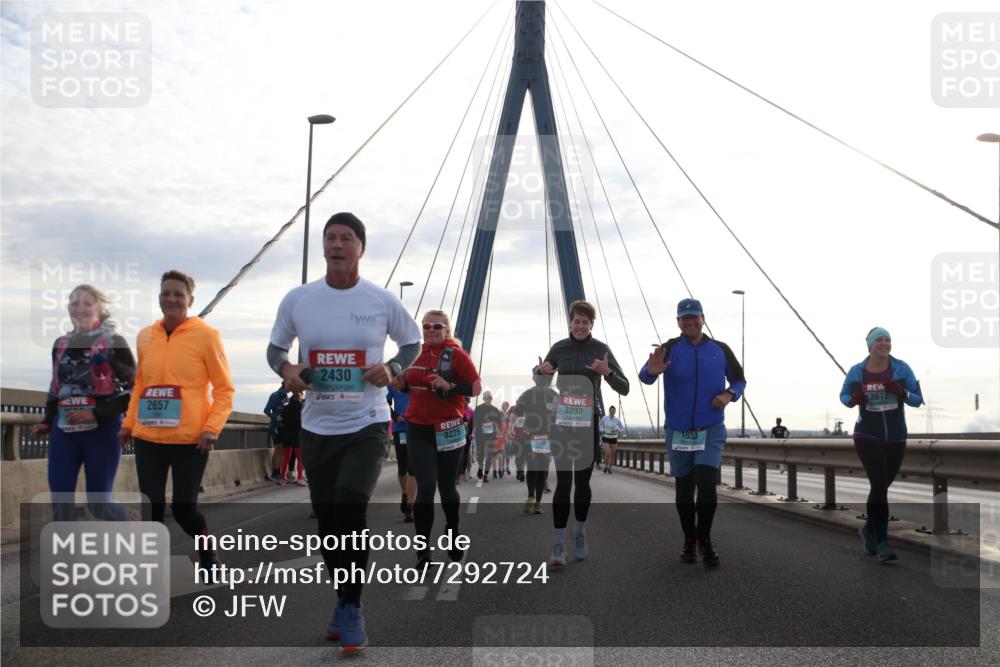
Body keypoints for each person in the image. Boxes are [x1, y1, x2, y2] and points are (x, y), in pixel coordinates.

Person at [267, 212, 421, 653]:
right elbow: (275, 349)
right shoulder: (299, 299)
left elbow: (410, 343)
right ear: (323, 247)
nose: (337, 245)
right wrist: (289, 368)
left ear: (360, 248)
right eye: (330, 238)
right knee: (330, 523)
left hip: (366, 424)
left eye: (346, 239)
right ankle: (342, 597)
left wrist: (391, 368)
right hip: (317, 425)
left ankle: (353, 608)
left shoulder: (380, 299)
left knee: (351, 512)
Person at [119, 270, 234, 571]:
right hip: (148, 439)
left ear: (190, 300)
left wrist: (212, 428)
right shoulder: (145, 336)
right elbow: (140, 385)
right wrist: (128, 424)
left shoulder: (207, 336)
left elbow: (224, 389)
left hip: (191, 440)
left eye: (178, 295)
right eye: (166, 293)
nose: (171, 299)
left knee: (184, 510)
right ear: (159, 298)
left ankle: (207, 551)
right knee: (152, 506)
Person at [639, 298, 745, 569]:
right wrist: (651, 372)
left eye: (694, 317)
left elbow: (740, 379)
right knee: (684, 489)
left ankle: (705, 539)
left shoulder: (720, 349)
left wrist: (728, 394)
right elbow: (646, 375)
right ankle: (689, 539)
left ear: (702, 318)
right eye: (684, 318)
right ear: (678, 322)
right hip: (678, 431)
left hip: (710, 429)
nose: (690, 322)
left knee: (706, 482)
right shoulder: (670, 348)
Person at [537, 300, 629, 566]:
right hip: (563, 424)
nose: (580, 326)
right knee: (563, 483)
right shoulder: (559, 348)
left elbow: (624, 388)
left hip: (588, 424)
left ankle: (578, 533)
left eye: (585, 322)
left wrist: (606, 371)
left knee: (582, 483)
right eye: (576, 321)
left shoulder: (601, 349)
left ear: (591, 325)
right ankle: (557, 544)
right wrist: (539, 372)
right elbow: (542, 379)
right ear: (570, 322)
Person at [33, 284, 136, 521]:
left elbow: (135, 389)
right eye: (74, 302)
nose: (79, 308)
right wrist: (47, 420)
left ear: (100, 309)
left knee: (99, 505)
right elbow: (55, 387)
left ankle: (131, 529)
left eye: (87, 303)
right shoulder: (61, 344)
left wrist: (96, 414)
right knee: (60, 504)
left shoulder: (113, 342)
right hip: (65, 432)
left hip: (103, 432)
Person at [403, 310, 481, 568]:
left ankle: (452, 530)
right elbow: (406, 383)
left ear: (446, 329)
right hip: (418, 428)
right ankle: (423, 551)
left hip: (448, 427)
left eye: (436, 326)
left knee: (447, 488)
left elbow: (475, 387)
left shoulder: (457, 355)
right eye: (426, 327)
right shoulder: (414, 353)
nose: (431, 330)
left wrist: (451, 387)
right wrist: (396, 381)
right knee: (426, 487)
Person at [840, 327, 923, 562]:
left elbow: (917, 400)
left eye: (888, 340)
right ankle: (883, 542)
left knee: (882, 487)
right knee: (878, 485)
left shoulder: (902, 368)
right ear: (870, 345)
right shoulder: (857, 371)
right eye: (880, 340)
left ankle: (868, 530)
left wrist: (902, 392)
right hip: (867, 435)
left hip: (896, 436)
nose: (884, 344)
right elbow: (844, 396)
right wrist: (853, 399)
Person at [514, 370, 558, 514]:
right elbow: (516, 412)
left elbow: (563, 414)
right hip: (530, 437)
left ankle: (538, 503)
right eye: (539, 376)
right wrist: (510, 428)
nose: (542, 379)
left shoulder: (554, 395)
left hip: (547, 439)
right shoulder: (527, 394)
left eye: (545, 377)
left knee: (542, 471)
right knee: (532, 469)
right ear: (534, 378)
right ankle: (530, 497)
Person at [387, 376, 416, 522]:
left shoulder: (416, 378)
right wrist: (395, 415)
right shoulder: (394, 382)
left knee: (413, 468)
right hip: (400, 430)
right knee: (402, 468)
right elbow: (384, 402)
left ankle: (410, 505)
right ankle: (405, 493)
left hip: (416, 429)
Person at [472, 391, 503, 483]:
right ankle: (481, 467)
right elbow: (474, 420)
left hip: (491, 435)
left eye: (490, 398)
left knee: (489, 455)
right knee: (480, 454)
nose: (488, 399)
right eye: (486, 398)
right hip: (480, 434)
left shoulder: (495, 409)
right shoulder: (478, 408)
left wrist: (497, 427)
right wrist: (474, 427)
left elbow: (499, 422)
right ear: (483, 399)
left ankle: (486, 474)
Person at [278, 391, 305, 485]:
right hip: (297, 435)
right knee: (300, 458)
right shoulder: (302, 407)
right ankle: (300, 479)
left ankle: (282, 479)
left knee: (286, 458)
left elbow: (280, 419)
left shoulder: (285, 408)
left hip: (286, 435)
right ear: (299, 397)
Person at [263, 385, 289, 481]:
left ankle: (281, 473)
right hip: (276, 427)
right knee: (277, 449)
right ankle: (275, 473)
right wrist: (275, 417)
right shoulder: (274, 395)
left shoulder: (286, 396)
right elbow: (266, 410)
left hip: (283, 427)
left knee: (282, 450)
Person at [599, 405, 624, 474]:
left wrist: (617, 429)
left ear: (615, 411)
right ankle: (606, 466)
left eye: (613, 410)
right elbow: (600, 425)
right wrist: (601, 430)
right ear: (609, 411)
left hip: (613, 438)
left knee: (612, 454)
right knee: (608, 453)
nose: (612, 411)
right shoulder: (605, 418)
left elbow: (622, 429)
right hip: (606, 437)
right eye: (611, 410)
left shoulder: (617, 420)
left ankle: (609, 468)